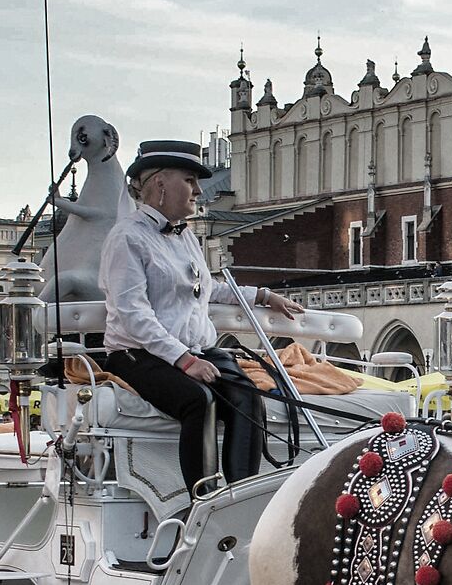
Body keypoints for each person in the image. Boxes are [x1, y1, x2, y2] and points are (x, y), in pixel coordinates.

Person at [97, 139, 304, 491]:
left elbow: (205, 288)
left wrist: (262, 295)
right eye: (190, 180)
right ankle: (204, 499)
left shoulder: (186, 238)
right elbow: (133, 313)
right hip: (139, 355)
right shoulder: (127, 238)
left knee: (246, 395)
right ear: (160, 184)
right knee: (198, 400)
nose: (197, 190)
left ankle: (241, 493)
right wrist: (183, 360)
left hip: (197, 350)